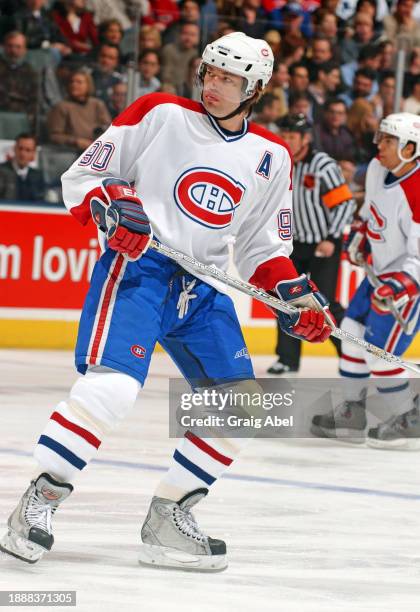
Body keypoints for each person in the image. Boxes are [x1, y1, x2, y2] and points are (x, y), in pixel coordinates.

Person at [0, 32, 334, 571]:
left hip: (200, 288)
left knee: (245, 407)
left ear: (254, 89)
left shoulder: (270, 156)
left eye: (229, 79)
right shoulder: (160, 114)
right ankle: (38, 501)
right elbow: (83, 177)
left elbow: (262, 248)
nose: (214, 85)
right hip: (140, 270)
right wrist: (114, 205)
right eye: (210, 72)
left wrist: (291, 294)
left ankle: (168, 517)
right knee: (112, 391)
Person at [311, 113, 420, 448]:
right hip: (379, 276)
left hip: (409, 286)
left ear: (411, 148)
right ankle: (353, 414)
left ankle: (408, 418)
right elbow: (369, 213)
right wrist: (359, 235)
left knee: (378, 354)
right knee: (352, 335)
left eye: (389, 141)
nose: (380, 145)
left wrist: (401, 284)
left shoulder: (417, 191)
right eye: (380, 137)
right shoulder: (375, 169)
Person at [267, 114, 355, 375]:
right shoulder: (280, 162)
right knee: (286, 300)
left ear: (305, 138)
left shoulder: (322, 165)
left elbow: (345, 203)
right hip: (292, 245)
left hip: (323, 244)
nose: (286, 141)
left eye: (292, 136)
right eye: (283, 135)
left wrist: (331, 238)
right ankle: (287, 359)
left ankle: (351, 354)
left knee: (325, 302)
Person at [47, 69, 111, 152]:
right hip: (70, 152)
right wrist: (75, 141)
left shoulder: (97, 104)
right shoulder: (61, 107)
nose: (74, 85)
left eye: (79, 82)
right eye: (71, 82)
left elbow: (108, 128)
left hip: (96, 150)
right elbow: (54, 136)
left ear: (88, 85)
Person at [0, 133, 45, 201]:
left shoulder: (37, 176)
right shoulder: (1, 171)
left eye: (28, 150)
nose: (23, 153)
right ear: (14, 149)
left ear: (33, 153)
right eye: (20, 148)